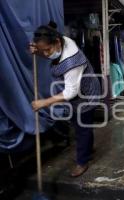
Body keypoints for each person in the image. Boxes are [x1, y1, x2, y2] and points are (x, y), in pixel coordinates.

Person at [30, 21, 101, 177]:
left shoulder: (71, 61)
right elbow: (48, 49)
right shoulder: (61, 40)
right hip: (79, 92)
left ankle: (82, 162)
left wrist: (44, 102)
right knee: (82, 126)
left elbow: (70, 92)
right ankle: (88, 147)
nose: (47, 54)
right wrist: (39, 50)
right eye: (44, 51)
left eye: (48, 50)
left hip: (87, 95)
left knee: (81, 128)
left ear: (57, 42)